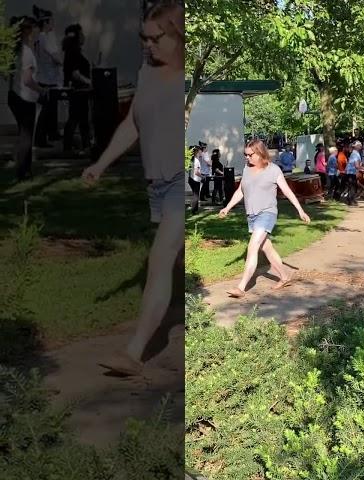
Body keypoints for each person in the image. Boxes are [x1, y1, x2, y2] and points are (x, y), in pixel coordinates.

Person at [81, 1, 185, 376]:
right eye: (142, 38)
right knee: (174, 259)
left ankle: (134, 353)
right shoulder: (147, 73)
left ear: (178, 36)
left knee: (159, 260)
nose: (147, 45)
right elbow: (133, 125)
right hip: (156, 185)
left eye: (154, 39)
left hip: (180, 184)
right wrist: (100, 164)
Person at [219, 139, 311, 298]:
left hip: (267, 213)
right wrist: (227, 208)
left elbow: (288, 192)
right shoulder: (247, 169)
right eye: (245, 155)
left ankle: (241, 287)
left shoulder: (273, 170)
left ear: (260, 153)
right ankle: (284, 276)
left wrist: (300, 210)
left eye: (250, 155)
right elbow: (241, 191)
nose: (247, 158)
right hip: (252, 215)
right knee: (266, 248)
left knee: (253, 246)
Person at [8, 16, 47, 182]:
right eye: (35, 28)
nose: (37, 31)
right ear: (27, 32)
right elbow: (27, 80)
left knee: (23, 134)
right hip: (25, 98)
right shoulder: (27, 52)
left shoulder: (15, 50)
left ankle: (24, 168)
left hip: (14, 96)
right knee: (26, 136)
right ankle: (23, 171)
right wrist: (42, 90)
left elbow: (10, 76)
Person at [33, 6, 62, 148]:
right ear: (45, 23)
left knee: (47, 111)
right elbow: (56, 58)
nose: (53, 24)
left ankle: (49, 134)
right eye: (51, 21)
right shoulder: (46, 39)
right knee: (46, 112)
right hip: (48, 80)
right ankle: (41, 140)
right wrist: (63, 62)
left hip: (43, 78)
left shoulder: (39, 38)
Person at [62, 24, 92, 154]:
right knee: (75, 118)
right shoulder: (73, 53)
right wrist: (90, 82)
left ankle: (86, 145)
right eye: (82, 33)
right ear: (77, 37)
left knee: (82, 119)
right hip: (77, 90)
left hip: (81, 91)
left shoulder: (75, 52)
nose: (84, 36)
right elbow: (75, 73)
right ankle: (68, 146)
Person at [346, 141, 361, 206]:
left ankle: (351, 200)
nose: (361, 146)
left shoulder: (356, 153)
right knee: (353, 187)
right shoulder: (355, 154)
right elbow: (357, 166)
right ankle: (351, 201)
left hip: (352, 172)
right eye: (360, 145)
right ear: (356, 146)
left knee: (353, 187)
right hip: (351, 172)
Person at [188, 146, 203, 213]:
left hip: (191, 179)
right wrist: (202, 176)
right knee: (196, 195)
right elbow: (196, 172)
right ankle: (194, 210)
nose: (200, 152)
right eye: (199, 151)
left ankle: (195, 209)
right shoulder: (196, 161)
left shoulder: (191, 160)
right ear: (196, 152)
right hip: (195, 180)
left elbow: (188, 170)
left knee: (195, 194)